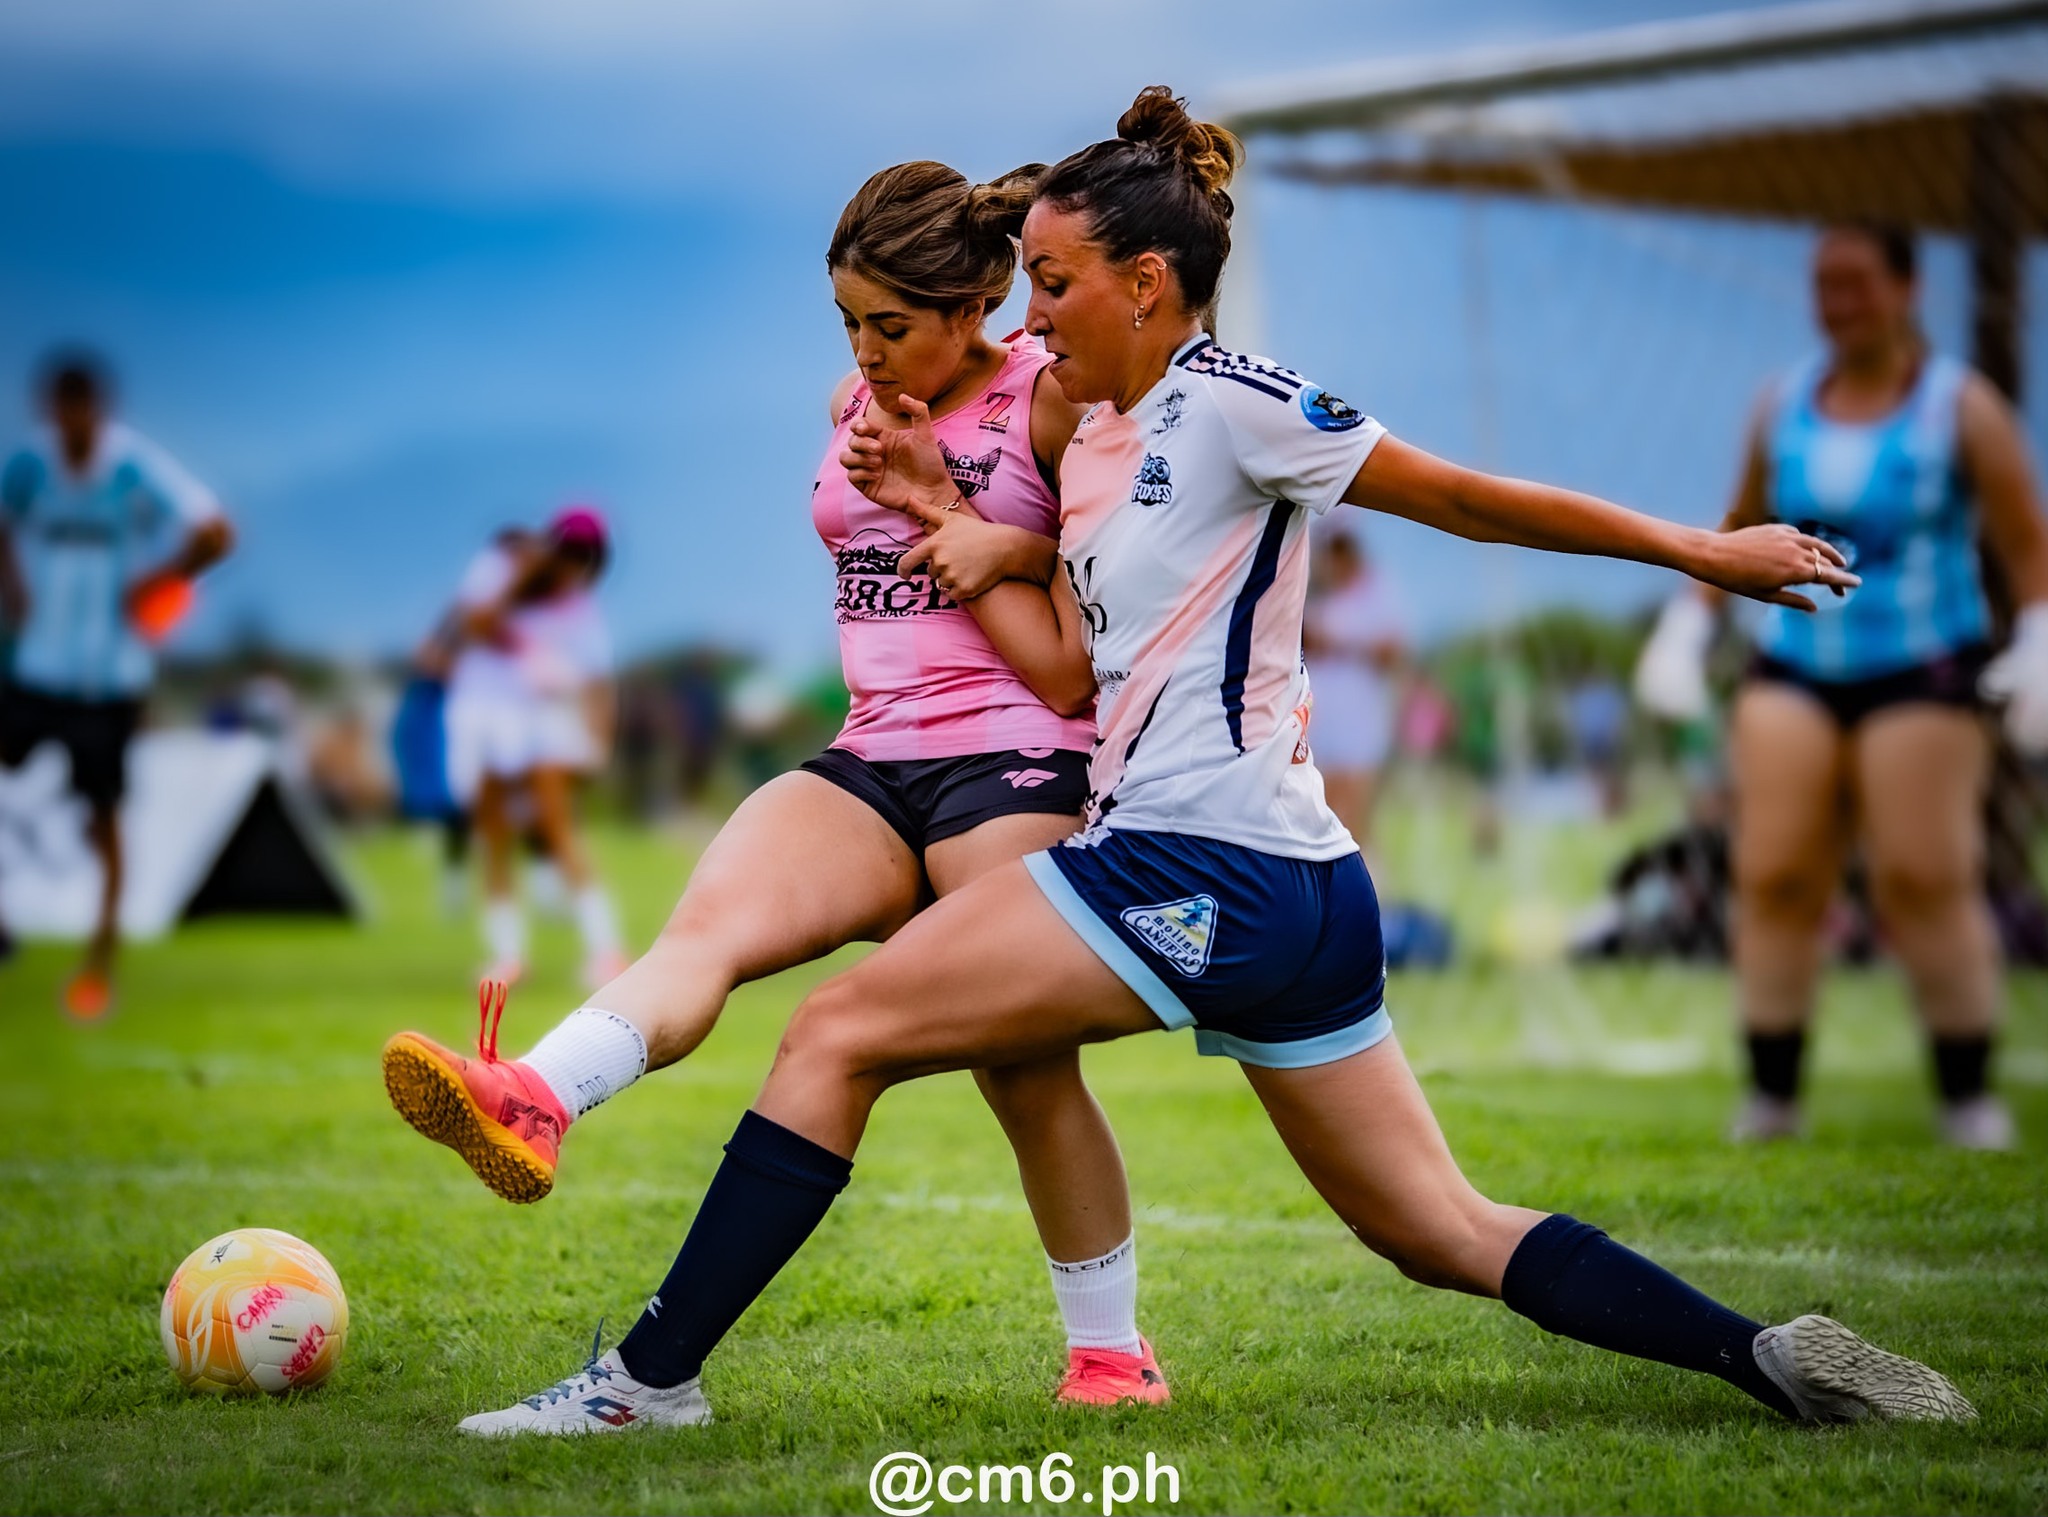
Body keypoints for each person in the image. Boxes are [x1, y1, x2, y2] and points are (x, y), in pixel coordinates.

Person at [445, 90, 1974, 1437]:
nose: (1030, 321)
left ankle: (647, 1382)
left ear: (1148, 279)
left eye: (1050, 286)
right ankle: (1763, 1353)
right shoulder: (1096, 445)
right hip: (1295, 884)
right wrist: (952, 522)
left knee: (831, 1036)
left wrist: (1704, 550)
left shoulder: (1239, 401)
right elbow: (1062, 669)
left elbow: (1468, 500)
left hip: (1204, 867)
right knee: (1436, 1228)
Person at [383, 160, 1173, 1408]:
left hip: (1017, 758)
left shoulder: (1053, 402)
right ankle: (535, 1091)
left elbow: (1097, 617)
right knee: (706, 929)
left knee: (1024, 1064)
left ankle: (1112, 1356)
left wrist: (963, 505)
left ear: (974, 309)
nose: (864, 353)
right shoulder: (856, 397)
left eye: (891, 325)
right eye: (848, 324)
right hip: (872, 752)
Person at [1636, 222, 2048, 1149]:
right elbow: (1736, 523)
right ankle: (1773, 1094)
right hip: (1795, 664)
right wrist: (1684, 628)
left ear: (1904, 288)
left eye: (1857, 281)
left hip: (1926, 669)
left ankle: (1967, 1096)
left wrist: (2040, 641)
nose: (1838, 301)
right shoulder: (1782, 404)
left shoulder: (1961, 407)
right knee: (1775, 873)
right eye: (1824, 283)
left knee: (1923, 875)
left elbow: (2026, 541)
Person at [0, 351, 234, 1017]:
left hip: (109, 677)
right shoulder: (27, 466)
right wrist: (13, 584)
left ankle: (98, 970)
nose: (71, 422)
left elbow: (217, 530)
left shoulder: (133, 468)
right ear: (50, 410)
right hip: (37, 667)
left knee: (103, 818)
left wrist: (166, 579)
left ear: (97, 411)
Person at [441, 508, 623, 988]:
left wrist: (598, 743)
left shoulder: (580, 609)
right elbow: (474, 624)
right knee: (494, 834)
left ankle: (605, 949)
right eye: (568, 553)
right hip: (486, 715)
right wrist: (518, 581)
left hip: (541, 723)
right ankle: (508, 955)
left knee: (558, 826)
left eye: (585, 558)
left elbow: (597, 682)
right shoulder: (502, 572)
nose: (574, 565)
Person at [1303, 527, 1406, 853]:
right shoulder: (1310, 591)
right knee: (1318, 814)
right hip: (1318, 724)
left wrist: (1343, 643)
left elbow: (1392, 651)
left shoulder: (1375, 591)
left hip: (1359, 723)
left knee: (1356, 821)